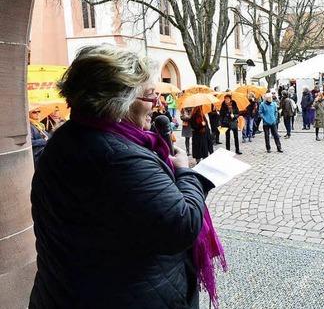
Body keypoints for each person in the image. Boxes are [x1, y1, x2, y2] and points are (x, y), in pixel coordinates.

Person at [30, 45, 225, 307]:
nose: (156, 103)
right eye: (148, 95)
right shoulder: (118, 157)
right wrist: (186, 174)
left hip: (68, 291)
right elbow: (182, 225)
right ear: (117, 102)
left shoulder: (66, 139)